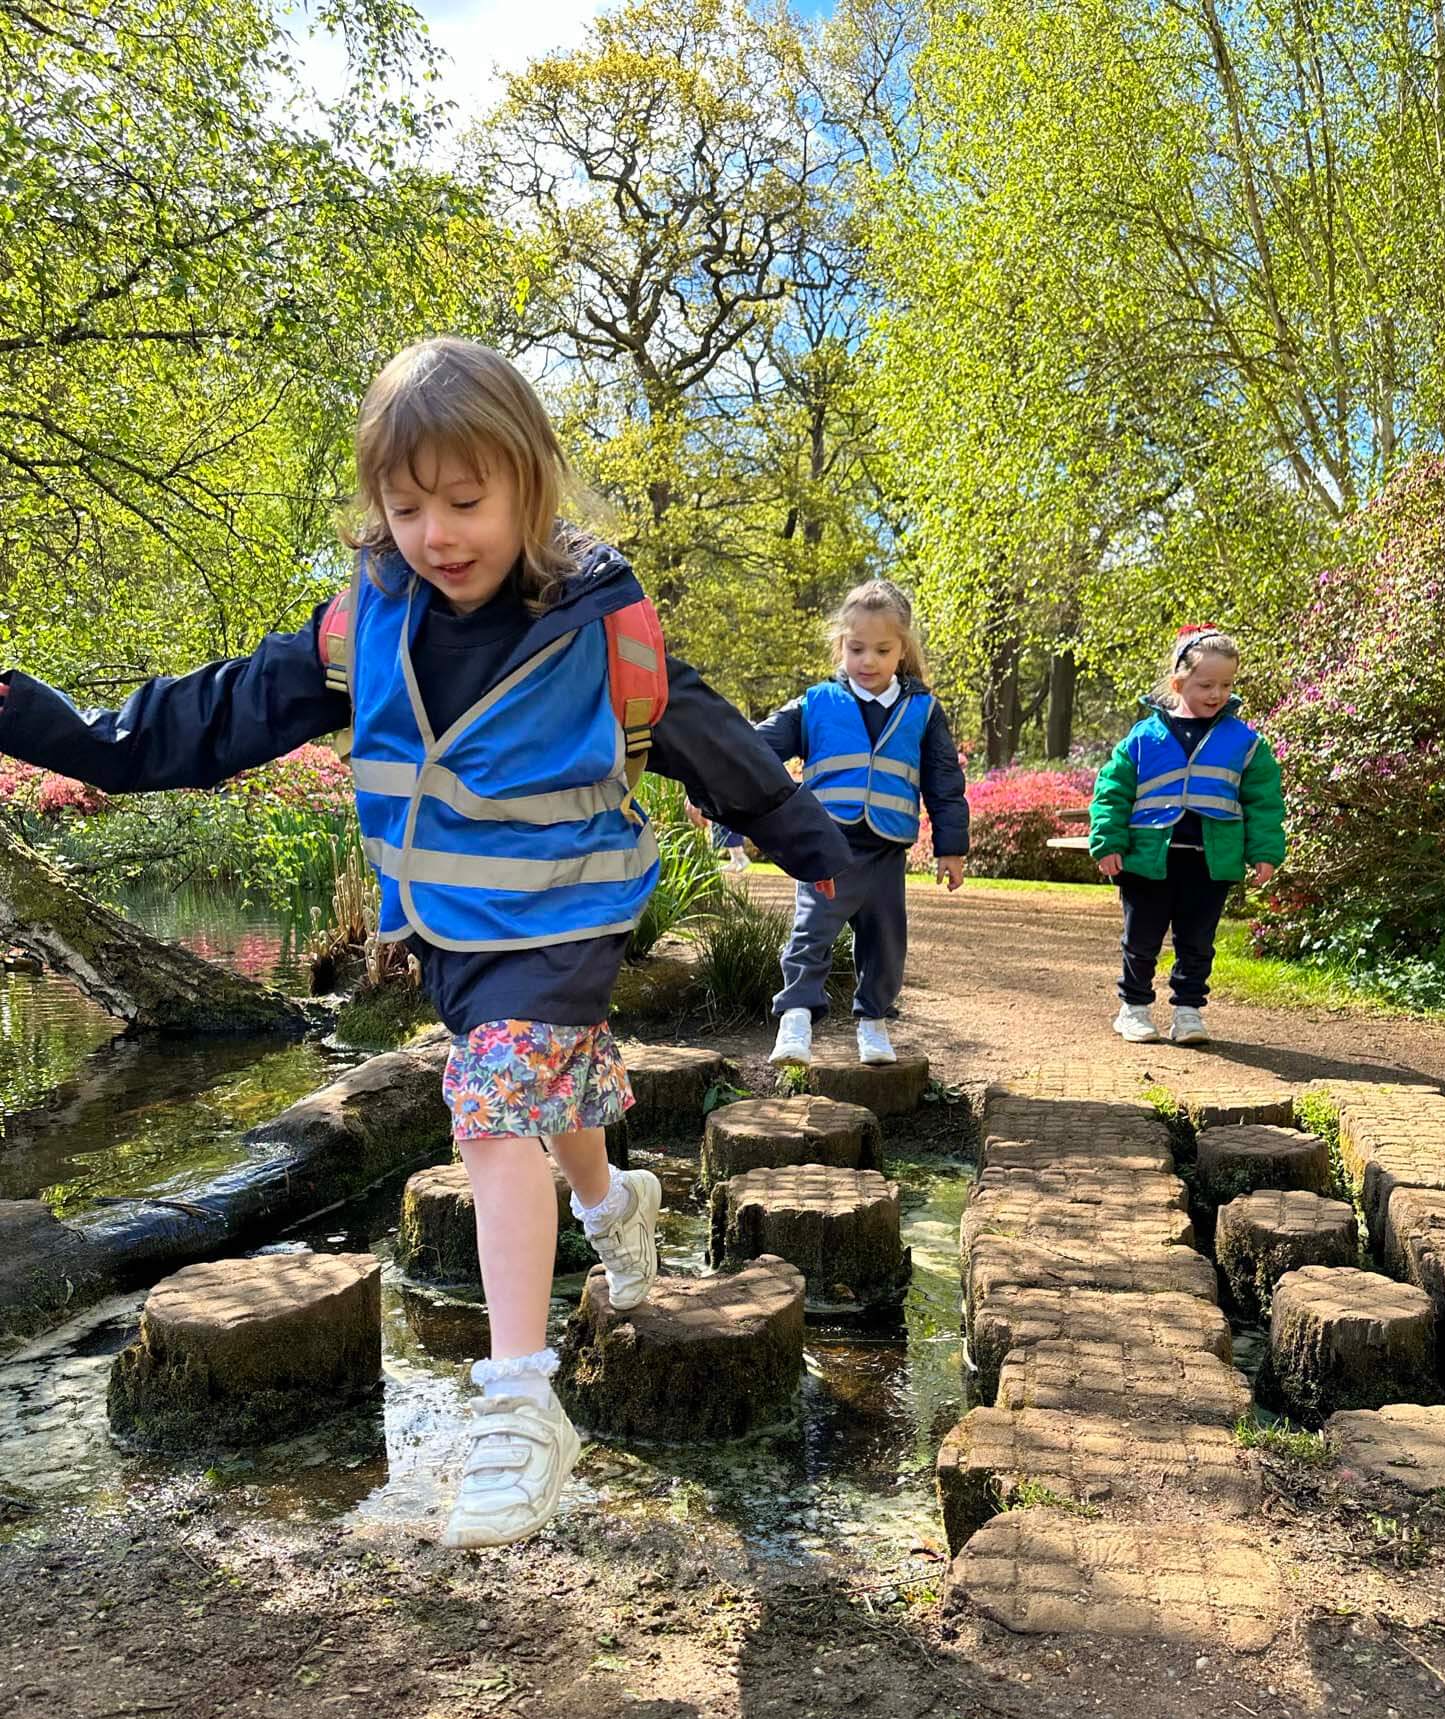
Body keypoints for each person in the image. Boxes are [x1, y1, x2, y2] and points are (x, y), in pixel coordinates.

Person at [0, 336, 847, 1546]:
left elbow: (714, 740)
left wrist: (808, 843)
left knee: (494, 1103)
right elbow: (204, 718)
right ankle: (617, 1205)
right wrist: (48, 724)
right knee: (541, 1095)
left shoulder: (600, 626)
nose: (438, 532)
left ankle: (518, 1402)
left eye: (466, 500)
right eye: (406, 506)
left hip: (566, 912)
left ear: (530, 486)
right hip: (452, 927)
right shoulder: (365, 629)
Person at [755, 579, 968, 1067]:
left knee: (886, 941)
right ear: (841, 646)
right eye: (856, 648)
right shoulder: (815, 703)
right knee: (811, 932)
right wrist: (714, 779)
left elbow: (943, 780)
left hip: (886, 852)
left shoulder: (923, 710)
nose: (867, 661)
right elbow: (754, 748)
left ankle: (873, 1023)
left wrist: (950, 848)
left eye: (881, 649)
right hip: (825, 847)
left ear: (903, 651)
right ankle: (795, 1020)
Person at [1089, 623, 1285, 1046]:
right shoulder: (1143, 737)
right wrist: (1108, 842)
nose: (1217, 694)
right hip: (1147, 860)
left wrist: (1265, 850)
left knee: (1197, 942)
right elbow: (1112, 791)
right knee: (1141, 940)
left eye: (1226, 684)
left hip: (1210, 861)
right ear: (1179, 683)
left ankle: (1188, 1013)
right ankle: (1134, 1009)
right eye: (1206, 684)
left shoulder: (1246, 742)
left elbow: (1264, 801)